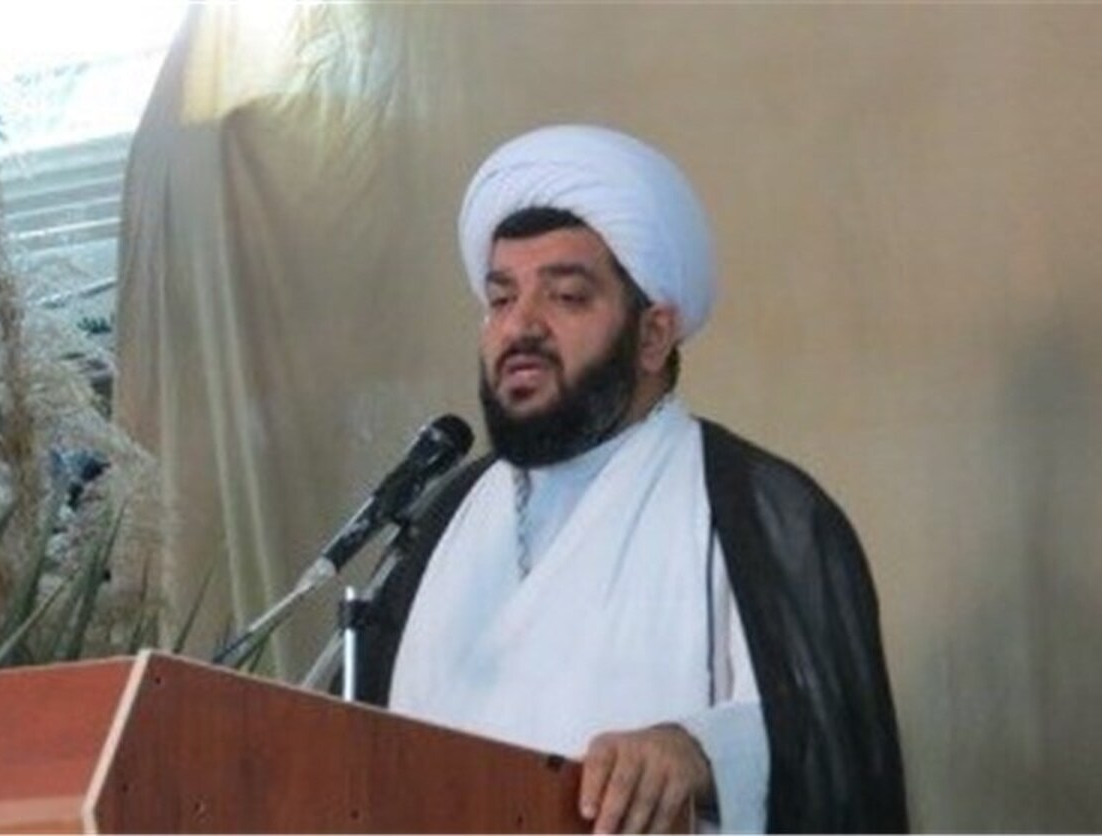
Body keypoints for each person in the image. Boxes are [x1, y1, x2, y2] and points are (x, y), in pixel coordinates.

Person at [353, 124, 908, 833]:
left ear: (653, 335)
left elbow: (831, 748)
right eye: (500, 298)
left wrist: (698, 753)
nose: (520, 327)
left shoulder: (755, 508)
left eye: (566, 296)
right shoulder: (446, 511)